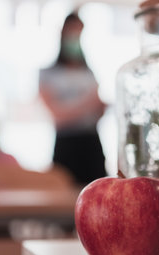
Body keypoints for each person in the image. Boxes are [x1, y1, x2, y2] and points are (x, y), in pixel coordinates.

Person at [39, 12, 106, 186]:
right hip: (66, 145)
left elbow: (98, 109)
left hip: (91, 143)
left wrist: (96, 107)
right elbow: (58, 116)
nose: (75, 37)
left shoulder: (88, 72)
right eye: (72, 32)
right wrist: (88, 105)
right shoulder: (48, 74)